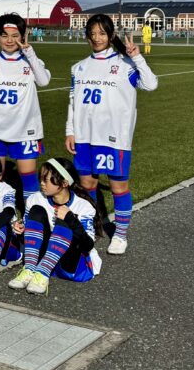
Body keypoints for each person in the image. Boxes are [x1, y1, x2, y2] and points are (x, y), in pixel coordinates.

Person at [65, 14, 158, 255]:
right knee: (87, 185)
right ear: (87, 36)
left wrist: (137, 56)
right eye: (92, 33)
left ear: (111, 35)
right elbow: (73, 103)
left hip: (114, 138)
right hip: (85, 137)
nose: (97, 38)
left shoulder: (126, 64)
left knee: (118, 187)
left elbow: (151, 84)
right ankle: (92, 226)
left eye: (102, 33)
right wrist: (70, 131)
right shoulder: (79, 68)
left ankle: (120, 235)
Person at [0, 14, 51, 203]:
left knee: (28, 176)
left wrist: (30, 53)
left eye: (15, 35)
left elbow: (44, 81)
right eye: (4, 35)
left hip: (25, 130)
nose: (9, 40)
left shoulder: (30, 60)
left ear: (23, 36)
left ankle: (33, 219)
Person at [8, 158, 102, 295]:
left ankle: (43, 273)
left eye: (46, 180)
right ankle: (30, 270)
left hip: (71, 264)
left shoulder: (84, 206)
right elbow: (27, 240)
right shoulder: (35, 199)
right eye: (41, 178)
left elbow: (87, 245)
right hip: (43, 258)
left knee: (64, 220)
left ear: (64, 183)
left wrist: (71, 218)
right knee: (37, 210)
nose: (41, 183)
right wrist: (21, 232)